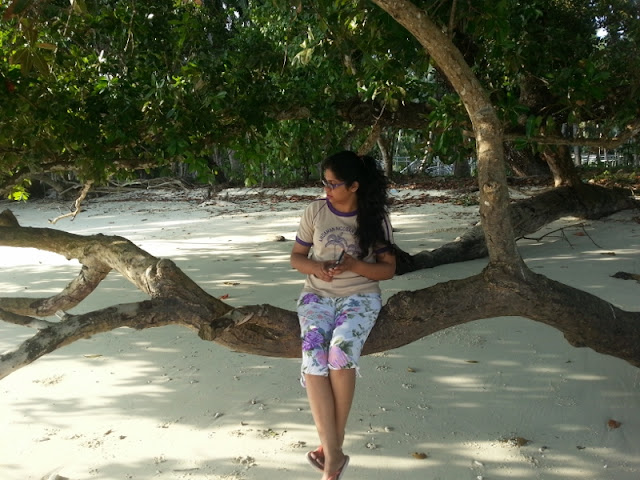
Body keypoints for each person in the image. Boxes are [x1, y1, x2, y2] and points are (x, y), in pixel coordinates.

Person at [290, 150, 396, 480]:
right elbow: (296, 257)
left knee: (339, 353)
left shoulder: (373, 217)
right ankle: (333, 451)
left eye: (333, 184)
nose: (326, 190)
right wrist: (317, 268)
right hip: (317, 296)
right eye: (324, 182)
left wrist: (354, 265)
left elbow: (388, 270)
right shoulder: (315, 211)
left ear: (354, 186)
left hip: (360, 296)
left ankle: (332, 451)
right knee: (313, 357)